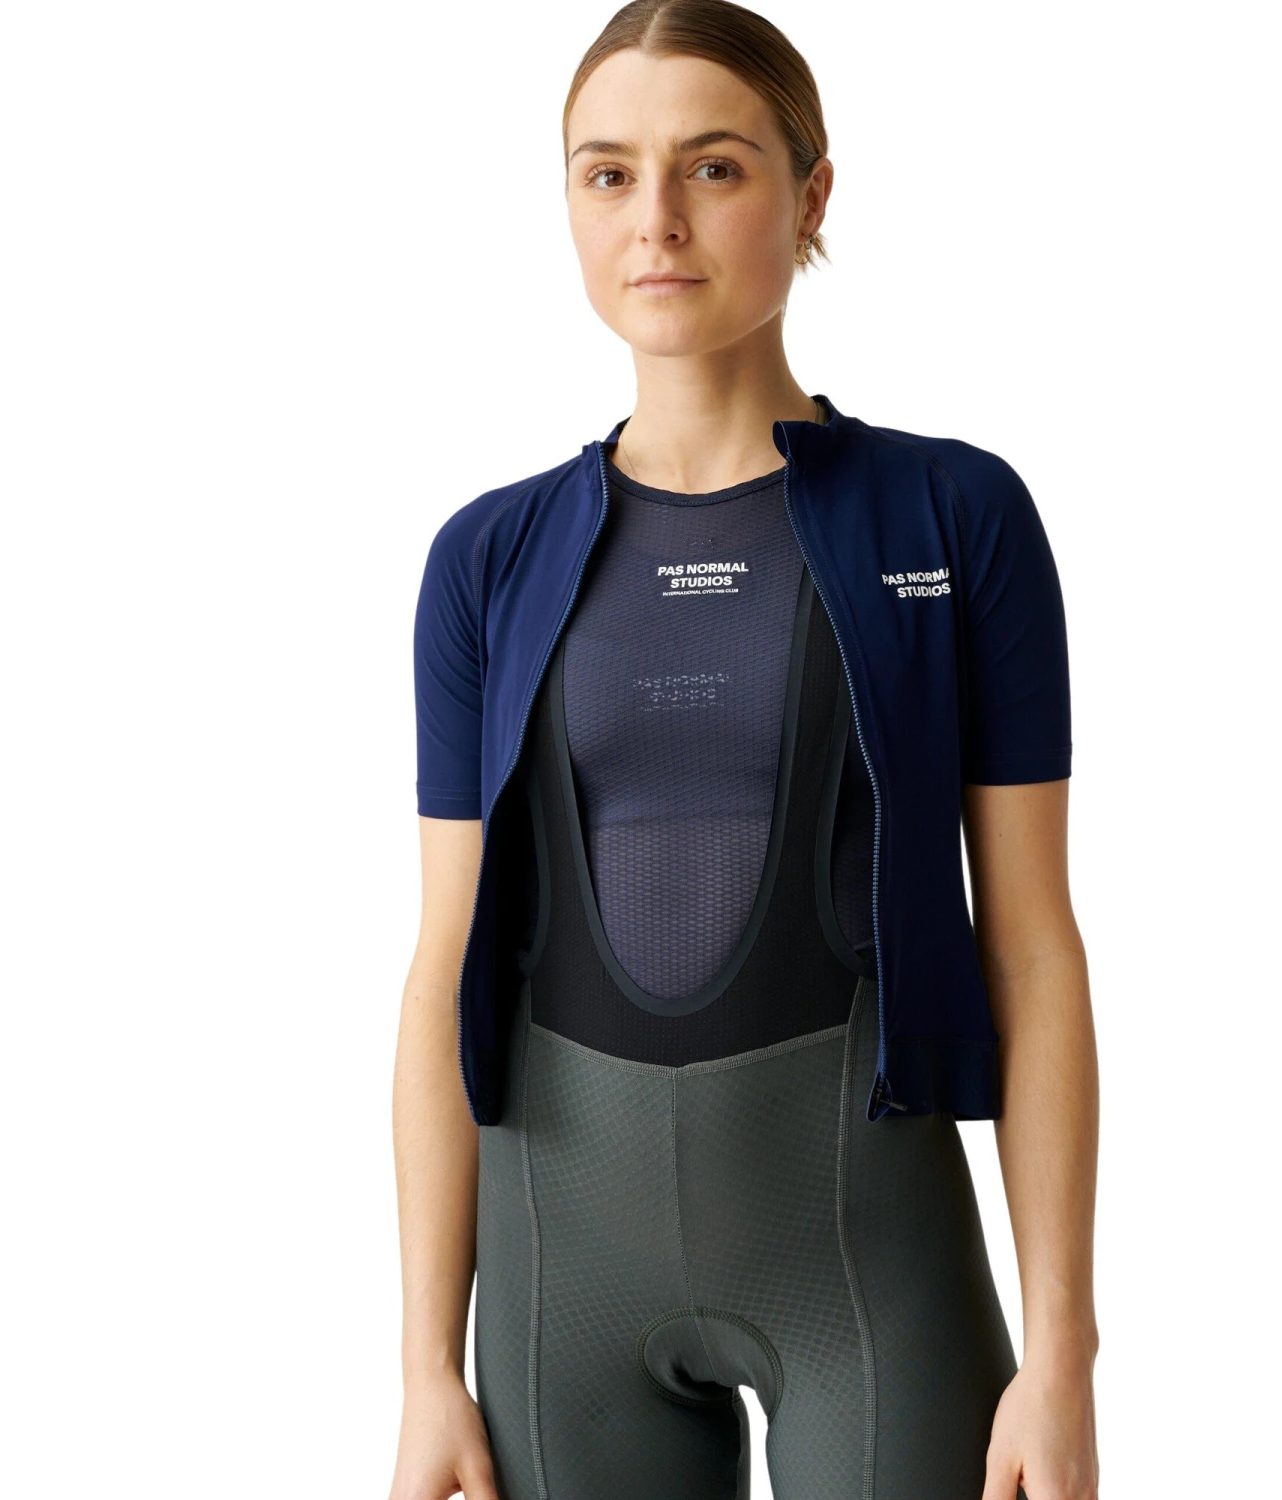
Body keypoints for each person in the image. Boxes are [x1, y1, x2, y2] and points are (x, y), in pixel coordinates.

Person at [389, 3, 1100, 1498]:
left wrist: (1061, 1356)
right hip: (559, 1285)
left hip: (869, 1268)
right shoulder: (486, 559)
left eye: (712, 168)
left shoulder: (953, 517)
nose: (655, 220)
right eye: (608, 174)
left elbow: (1033, 943)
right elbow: (444, 959)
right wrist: (423, 1371)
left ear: (810, 193)